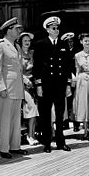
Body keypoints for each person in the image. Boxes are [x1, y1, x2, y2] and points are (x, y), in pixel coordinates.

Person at [0, 17, 28, 158]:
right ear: (9, 30)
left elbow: (18, 69)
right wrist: (0, 88)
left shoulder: (16, 46)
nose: (19, 31)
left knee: (15, 119)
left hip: (17, 88)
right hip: (6, 88)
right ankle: (3, 148)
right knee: (4, 119)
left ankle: (15, 146)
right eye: (16, 29)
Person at [32, 16, 71, 153]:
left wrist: (68, 85)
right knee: (45, 116)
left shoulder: (63, 44)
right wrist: (38, 85)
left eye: (58, 28)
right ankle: (47, 143)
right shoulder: (40, 44)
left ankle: (61, 142)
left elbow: (67, 66)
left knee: (60, 115)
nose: (56, 30)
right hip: (46, 85)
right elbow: (36, 67)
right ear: (48, 29)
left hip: (60, 85)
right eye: (53, 28)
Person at [19, 32, 39, 146]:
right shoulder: (18, 54)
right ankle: (29, 135)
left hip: (33, 84)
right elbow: (17, 71)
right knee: (32, 106)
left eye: (29, 41)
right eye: (25, 41)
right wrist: (26, 81)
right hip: (22, 85)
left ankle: (32, 134)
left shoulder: (32, 53)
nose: (27, 43)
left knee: (34, 109)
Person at [61, 32, 80, 132]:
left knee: (75, 101)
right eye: (68, 42)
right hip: (66, 78)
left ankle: (76, 122)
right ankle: (66, 122)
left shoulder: (77, 52)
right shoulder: (63, 51)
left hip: (76, 77)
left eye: (71, 41)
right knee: (66, 101)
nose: (70, 44)